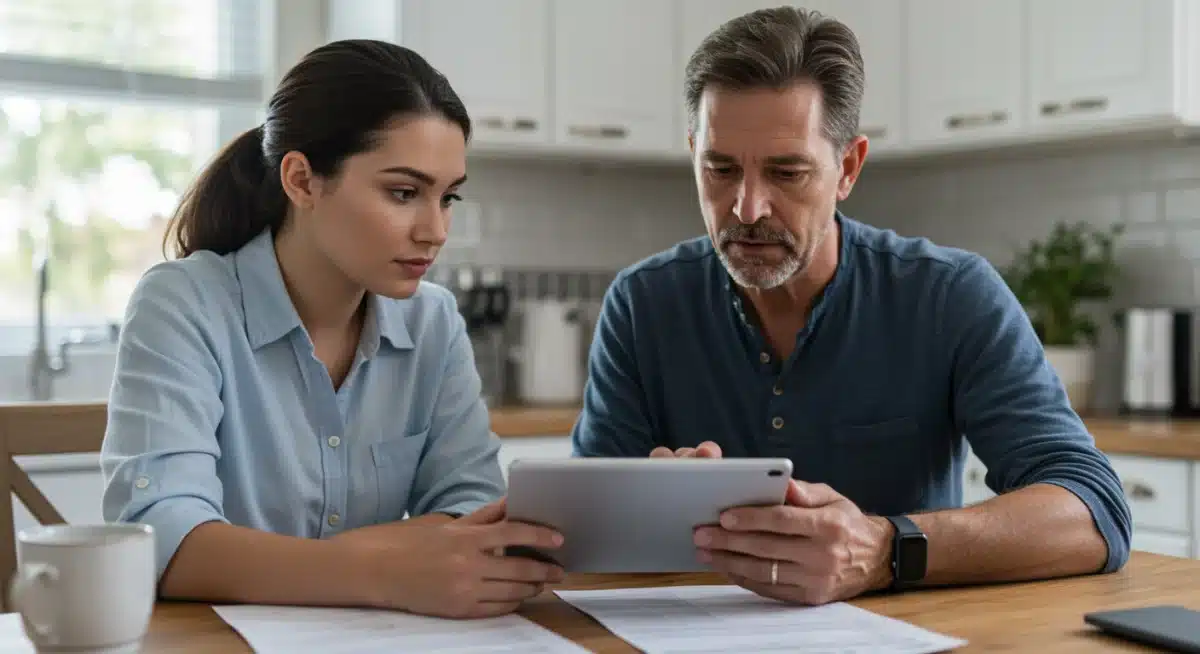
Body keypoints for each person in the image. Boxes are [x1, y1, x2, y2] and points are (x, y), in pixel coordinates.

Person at [571, 7, 1132, 606]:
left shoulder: (951, 296)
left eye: (786, 172)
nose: (747, 208)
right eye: (720, 168)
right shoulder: (641, 303)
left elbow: (1094, 509)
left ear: (848, 168)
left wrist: (884, 549)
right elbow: (578, 536)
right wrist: (656, 506)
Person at [100, 39, 564, 619]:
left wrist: (313, 565)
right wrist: (385, 571)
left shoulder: (433, 320)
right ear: (301, 180)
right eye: (403, 192)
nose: (436, 230)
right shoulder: (185, 302)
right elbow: (160, 539)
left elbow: (472, 508)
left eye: (448, 198)